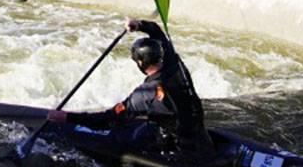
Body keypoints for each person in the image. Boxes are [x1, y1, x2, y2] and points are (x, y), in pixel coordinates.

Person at [48, 17, 212, 157]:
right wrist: (138, 25)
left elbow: (108, 119)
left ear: (141, 63)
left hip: (176, 150)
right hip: (201, 138)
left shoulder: (145, 94)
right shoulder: (175, 65)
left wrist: (67, 117)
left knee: (124, 130)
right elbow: (156, 30)